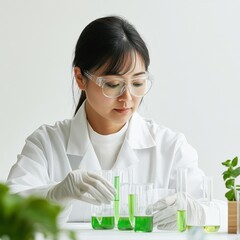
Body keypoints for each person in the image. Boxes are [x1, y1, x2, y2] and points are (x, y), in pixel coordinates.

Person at [6, 16, 226, 230]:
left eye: (138, 83)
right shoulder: (46, 144)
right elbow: (7, 215)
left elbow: (223, 212)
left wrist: (200, 213)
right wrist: (54, 195)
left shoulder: (170, 147)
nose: (127, 97)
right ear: (80, 78)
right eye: (112, 84)